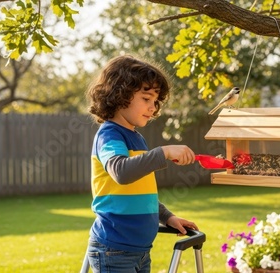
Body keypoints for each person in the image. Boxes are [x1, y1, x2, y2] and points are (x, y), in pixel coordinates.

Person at [85, 54, 199, 273]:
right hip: (114, 250)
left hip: (139, 251)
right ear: (119, 95)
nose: (153, 107)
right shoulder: (109, 135)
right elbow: (121, 172)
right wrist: (163, 152)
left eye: (155, 101)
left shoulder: (137, 137)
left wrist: (167, 217)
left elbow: (140, 193)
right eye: (146, 99)